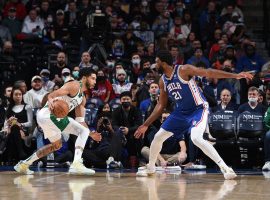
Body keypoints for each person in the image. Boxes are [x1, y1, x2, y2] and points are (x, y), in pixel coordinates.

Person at [135, 50, 253, 179]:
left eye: (156, 62)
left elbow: (209, 72)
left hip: (199, 108)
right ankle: (151, 167)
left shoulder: (184, 70)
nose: (154, 65)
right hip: (181, 112)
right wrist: (145, 124)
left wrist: (235, 76)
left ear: (163, 63)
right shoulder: (163, 81)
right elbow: (160, 105)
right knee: (158, 137)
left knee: (196, 138)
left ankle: (225, 168)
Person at [14, 68, 102, 175]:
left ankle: (24, 164)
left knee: (57, 145)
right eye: (93, 78)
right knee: (83, 131)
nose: (95, 81)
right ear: (84, 78)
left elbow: (80, 121)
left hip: (48, 118)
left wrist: (91, 134)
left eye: (95, 79)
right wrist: (51, 100)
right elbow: (51, 95)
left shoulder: (82, 98)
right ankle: (76, 164)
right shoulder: (74, 85)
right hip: (49, 114)